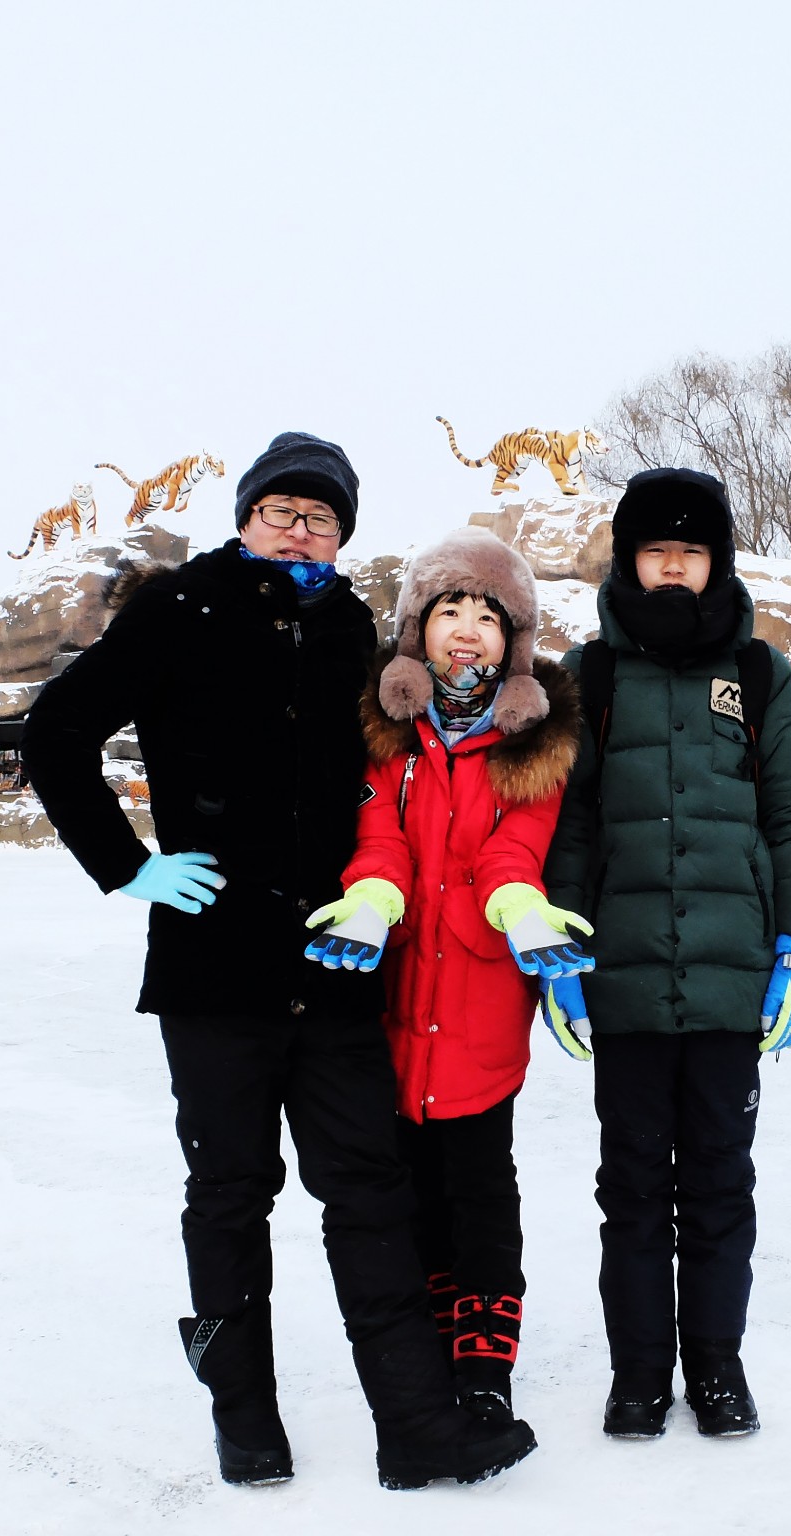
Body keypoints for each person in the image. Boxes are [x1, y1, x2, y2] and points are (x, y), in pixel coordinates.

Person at [21, 433, 535, 1492]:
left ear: (343, 535)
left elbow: (411, 767)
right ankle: (243, 1415)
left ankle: (417, 1427)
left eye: (322, 519)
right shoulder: (179, 606)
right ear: (247, 514)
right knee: (230, 1188)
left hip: (341, 964)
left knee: (368, 1188)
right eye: (282, 512)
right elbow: (57, 731)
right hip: (215, 968)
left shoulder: (351, 627)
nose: (300, 531)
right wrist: (126, 867)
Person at [543, 468, 791, 1440]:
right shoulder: (587, 677)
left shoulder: (758, 674)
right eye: (655, 550)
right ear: (628, 559)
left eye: (690, 550)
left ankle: (713, 1366)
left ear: (715, 563)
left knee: (716, 1185)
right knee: (628, 1191)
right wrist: (560, 958)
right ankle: (635, 1377)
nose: (672, 566)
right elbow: (570, 826)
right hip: (619, 979)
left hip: (726, 980)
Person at [304, 527, 586, 1430]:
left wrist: (521, 909)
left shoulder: (533, 744)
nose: (467, 630)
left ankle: (484, 1363)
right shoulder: (388, 736)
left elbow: (515, 851)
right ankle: (426, 1342)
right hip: (391, 1007)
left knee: (478, 1193)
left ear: (516, 640)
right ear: (418, 631)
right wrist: (371, 898)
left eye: (488, 616)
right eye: (449, 610)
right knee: (410, 1191)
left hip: (478, 1012)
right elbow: (380, 839)